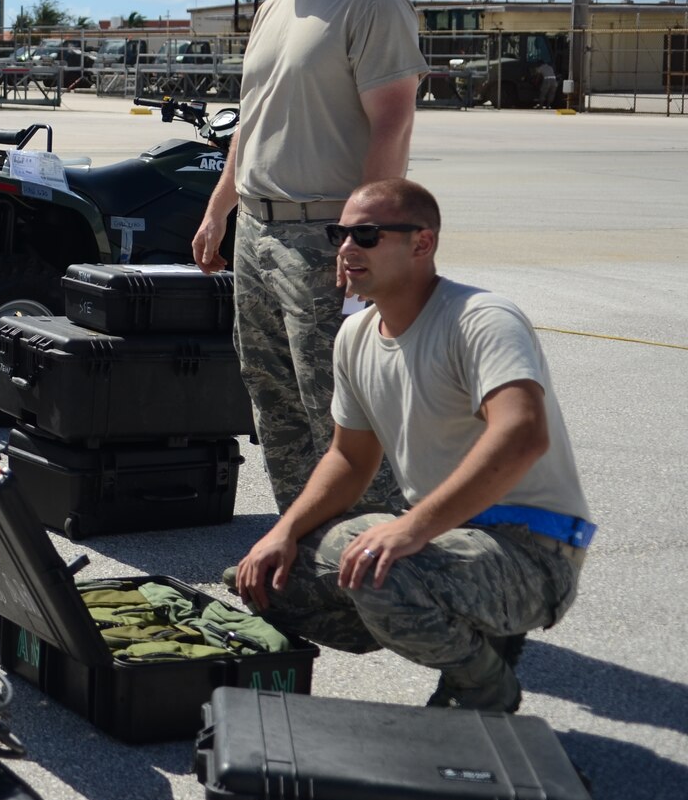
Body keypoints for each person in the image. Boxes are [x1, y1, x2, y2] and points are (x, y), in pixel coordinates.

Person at [231, 180, 590, 712]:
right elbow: (349, 459)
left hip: (531, 549)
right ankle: (464, 630)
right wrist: (281, 533)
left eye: (367, 235)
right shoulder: (356, 337)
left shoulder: (480, 318)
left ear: (422, 244)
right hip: (445, 536)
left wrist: (408, 528)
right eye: (340, 234)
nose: (346, 249)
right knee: (268, 579)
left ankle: (483, 688)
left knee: (384, 572)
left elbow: (522, 434)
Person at [192, 0, 426, 513]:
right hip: (258, 234)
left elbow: (392, 121)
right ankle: (307, 565)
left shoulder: (370, 0)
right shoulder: (273, 7)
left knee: (341, 410)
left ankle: (376, 569)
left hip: (325, 236)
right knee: (275, 407)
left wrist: (363, 237)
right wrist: (220, 210)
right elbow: (254, 118)